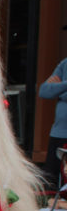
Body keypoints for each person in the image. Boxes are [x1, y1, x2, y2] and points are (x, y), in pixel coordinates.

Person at [39, 56, 67, 188]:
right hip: (58, 134)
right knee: (50, 180)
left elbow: (53, 91)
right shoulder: (65, 63)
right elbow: (44, 91)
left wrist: (58, 88)